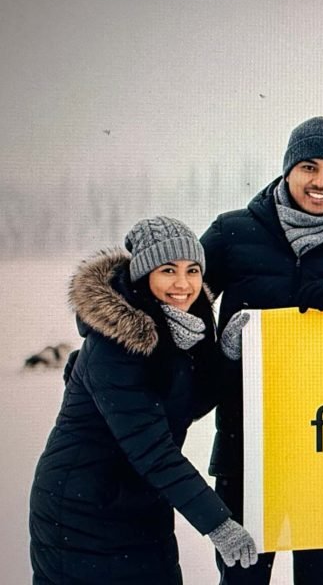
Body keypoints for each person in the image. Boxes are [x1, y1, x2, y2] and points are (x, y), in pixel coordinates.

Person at [200, 116, 323, 584]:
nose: (320, 182)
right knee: (242, 577)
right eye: (309, 167)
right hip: (246, 445)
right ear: (288, 169)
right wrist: (225, 347)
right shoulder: (232, 234)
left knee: (320, 578)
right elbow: (176, 303)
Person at [29, 216, 258, 585]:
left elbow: (185, 406)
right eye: (168, 270)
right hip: (82, 509)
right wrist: (218, 523)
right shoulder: (115, 346)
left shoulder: (179, 328)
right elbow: (153, 449)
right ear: (143, 275)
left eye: (192, 270)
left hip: (141, 501)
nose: (183, 284)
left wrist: (226, 358)